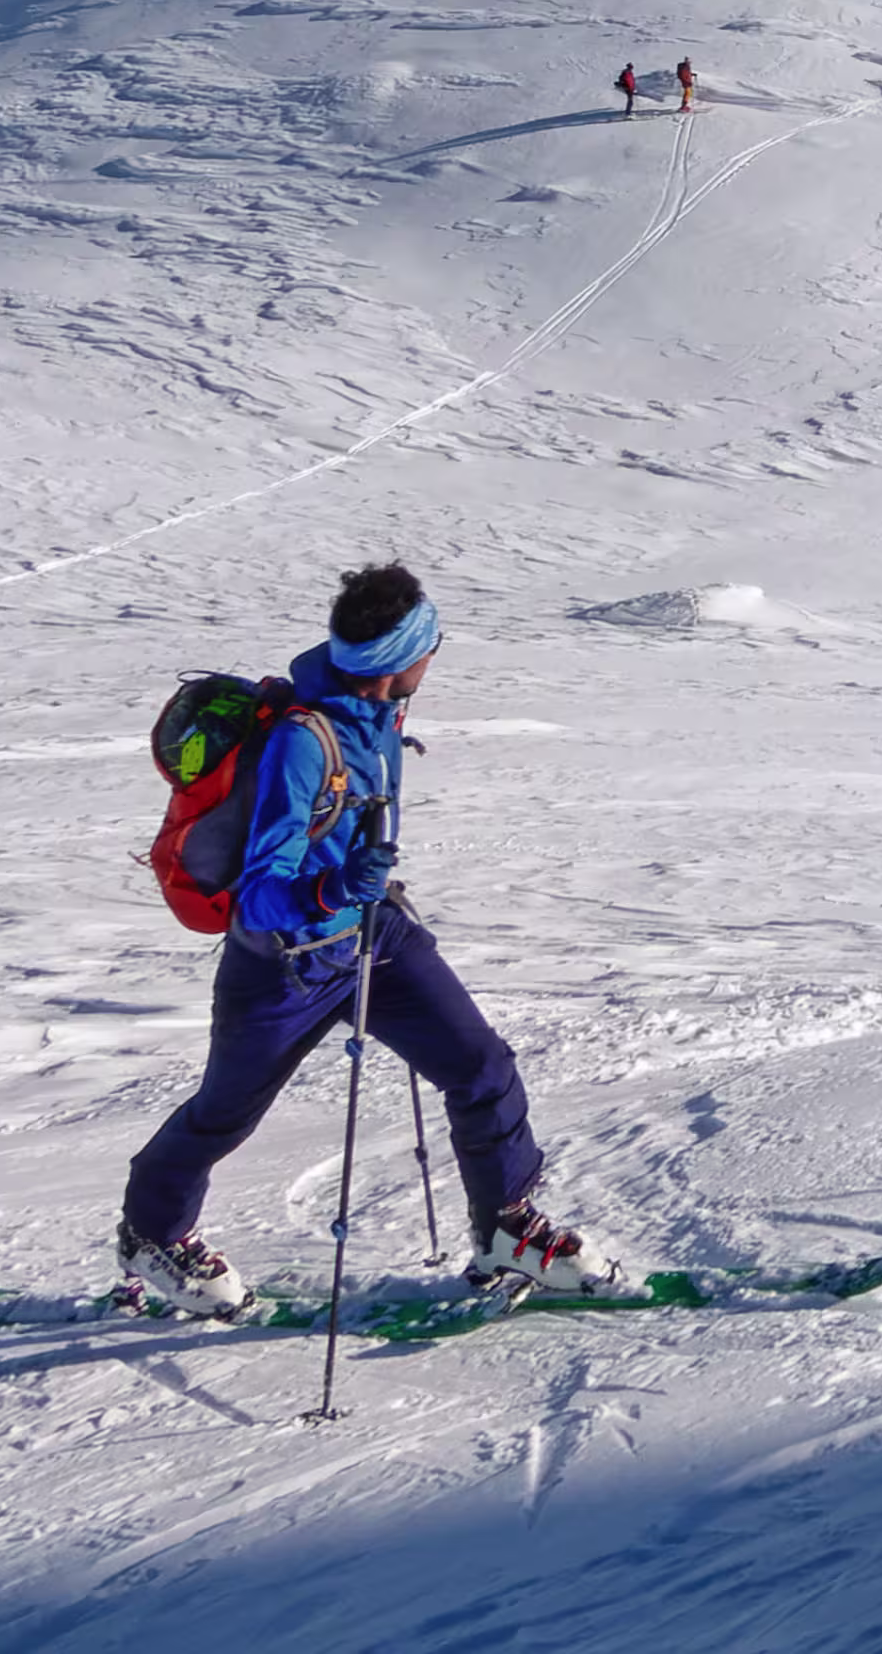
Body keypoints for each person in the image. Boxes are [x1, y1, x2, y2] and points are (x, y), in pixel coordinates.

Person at [114, 563, 593, 1316]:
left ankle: (506, 1229)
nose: (435, 658)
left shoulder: (377, 719)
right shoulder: (305, 743)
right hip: (284, 967)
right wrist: (334, 888)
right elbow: (262, 893)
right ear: (399, 662)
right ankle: (151, 1234)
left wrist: (360, 887)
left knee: (481, 1064)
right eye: (431, 644)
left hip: (374, 935)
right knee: (224, 1115)